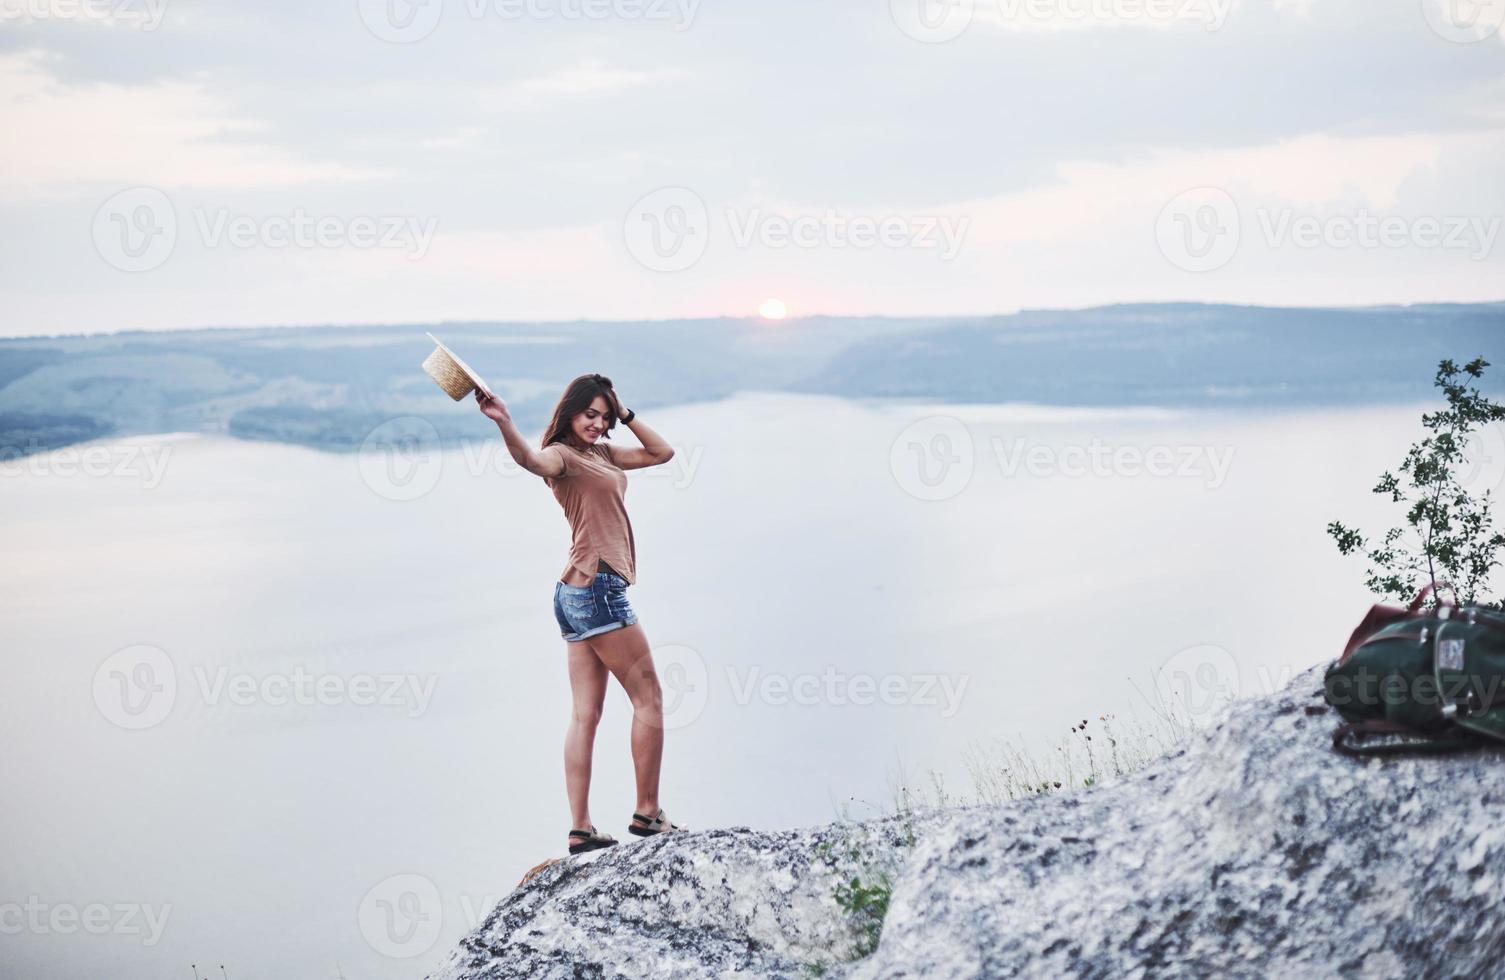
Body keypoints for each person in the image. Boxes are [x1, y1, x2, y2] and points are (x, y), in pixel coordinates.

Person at [475, 372, 686, 855]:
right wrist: (504, 421)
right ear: (570, 410)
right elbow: (531, 459)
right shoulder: (563, 458)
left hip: (572, 594)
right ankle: (648, 813)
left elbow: (662, 453)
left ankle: (582, 827)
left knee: (585, 713)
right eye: (590, 413)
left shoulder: (603, 454)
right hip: (599, 589)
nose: (598, 423)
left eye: (605, 417)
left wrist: (625, 413)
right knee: (649, 697)